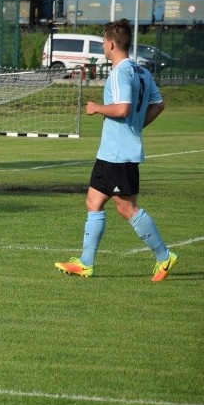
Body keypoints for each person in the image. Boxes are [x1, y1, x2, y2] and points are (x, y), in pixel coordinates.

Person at [54, 19, 177, 281]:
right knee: (93, 202)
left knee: (127, 209)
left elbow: (122, 109)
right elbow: (158, 104)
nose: (103, 47)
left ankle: (164, 256)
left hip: (120, 154)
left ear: (111, 44)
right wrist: (137, 126)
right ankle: (86, 262)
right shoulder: (141, 71)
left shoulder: (121, 72)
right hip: (109, 152)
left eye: (103, 43)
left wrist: (96, 108)